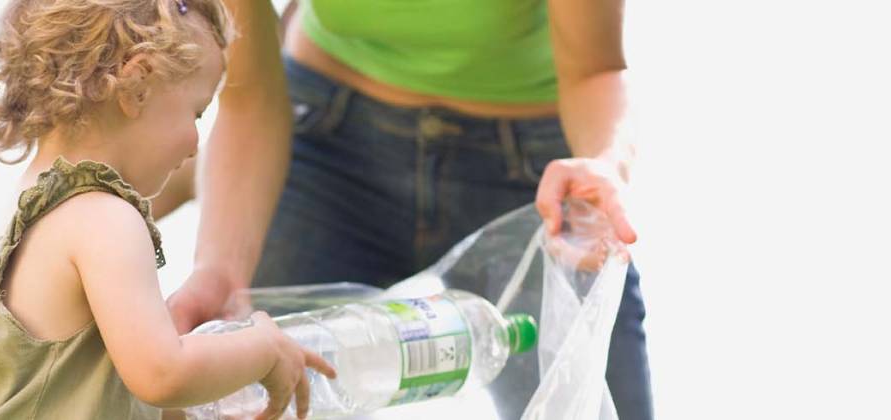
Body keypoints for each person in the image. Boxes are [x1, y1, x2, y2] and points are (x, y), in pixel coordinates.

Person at [156, 1, 653, 419]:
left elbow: (595, 70)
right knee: (254, 401)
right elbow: (250, 99)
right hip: (330, 142)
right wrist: (220, 269)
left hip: (529, 171)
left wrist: (603, 165)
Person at [0, 1, 336, 419]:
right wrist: (263, 348)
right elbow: (162, 375)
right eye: (197, 112)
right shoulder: (104, 218)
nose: (195, 144)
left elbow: (85, 386)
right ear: (137, 85)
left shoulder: (23, 212)